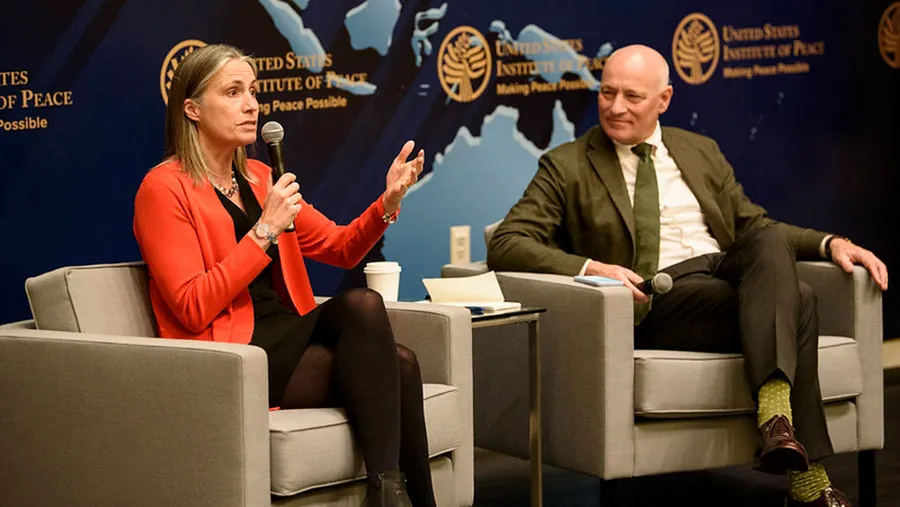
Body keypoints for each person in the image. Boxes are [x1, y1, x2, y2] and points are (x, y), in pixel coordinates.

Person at [487, 44, 888, 507]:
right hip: (659, 297)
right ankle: (808, 480)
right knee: (800, 298)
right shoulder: (567, 164)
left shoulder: (699, 151)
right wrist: (592, 268)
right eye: (608, 93)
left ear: (665, 99)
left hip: (721, 280)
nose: (616, 107)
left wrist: (829, 242)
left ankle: (777, 424)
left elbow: (754, 227)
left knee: (769, 243)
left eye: (633, 97)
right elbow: (507, 241)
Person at [133, 44, 432, 507]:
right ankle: (391, 494)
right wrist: (265, 230)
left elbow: (341, 247)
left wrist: (387, 204)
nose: (251, 105)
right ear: (192, 109)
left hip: (287, 332)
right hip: (234, 355)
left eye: (253, 91)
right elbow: (192, 307)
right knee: (385, 340)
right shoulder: (163, 188)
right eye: (233, 92)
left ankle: (389, 492)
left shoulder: (258, 176)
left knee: (383, 335)